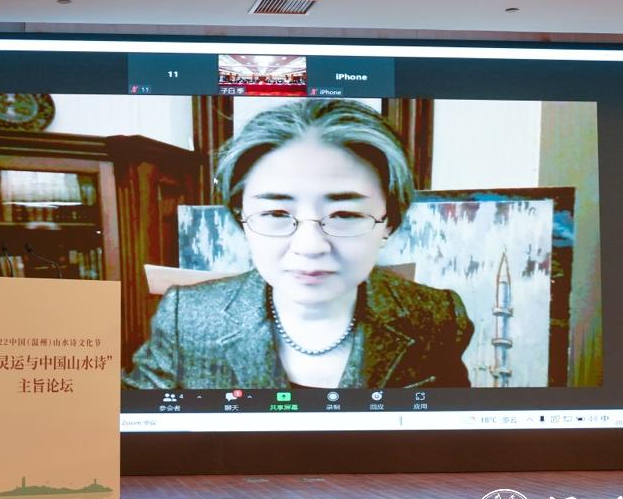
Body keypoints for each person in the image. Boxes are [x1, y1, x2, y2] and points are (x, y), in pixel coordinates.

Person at [123, 99, 473, 389]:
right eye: (276, 213)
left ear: (389, 223)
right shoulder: (186, 319)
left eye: (345, 214)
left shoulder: (437, 317)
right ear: (242, 220)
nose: (309, 246)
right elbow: (128, 434)